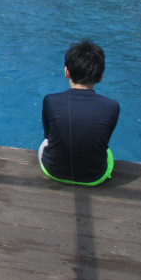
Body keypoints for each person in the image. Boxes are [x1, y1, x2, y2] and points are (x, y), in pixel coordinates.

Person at [39, 39, 120, 186]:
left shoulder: (50, 100)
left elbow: (49, 136)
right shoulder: (112, 106)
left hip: (53, 171)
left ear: (66, 72)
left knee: (45, 142)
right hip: (94, 177)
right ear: (101, 76)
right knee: (108, 152)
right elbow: (103, 141)